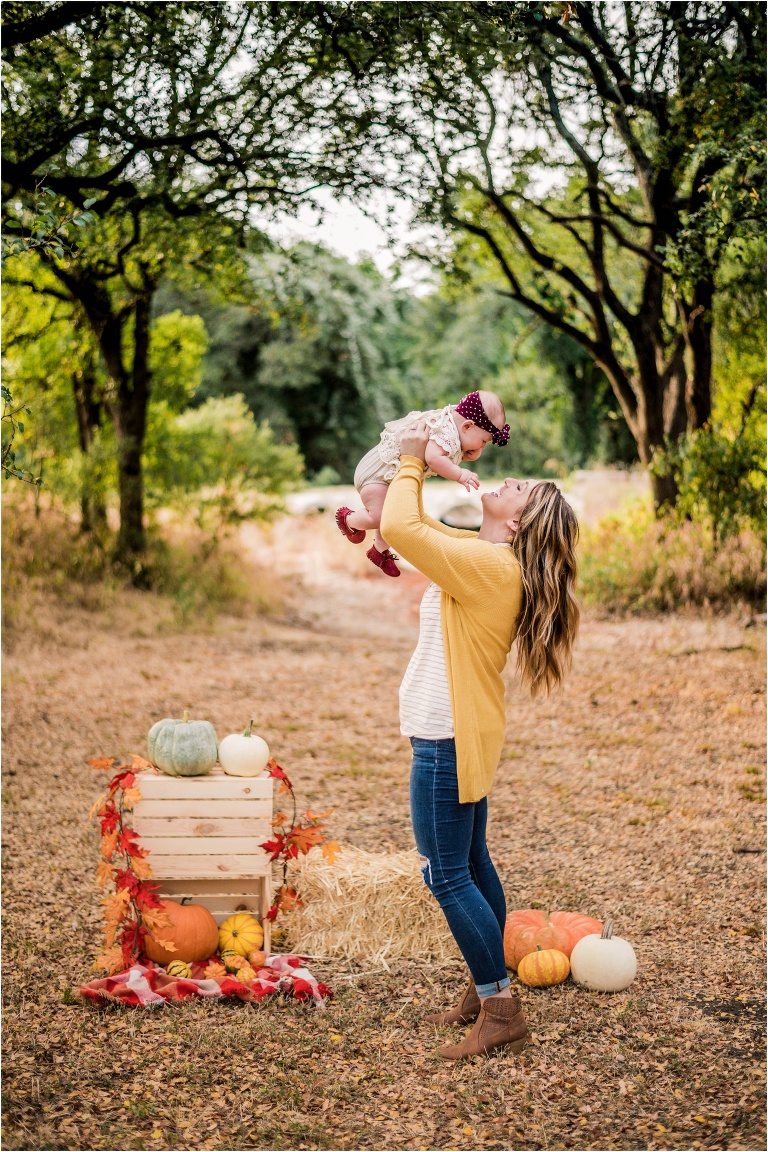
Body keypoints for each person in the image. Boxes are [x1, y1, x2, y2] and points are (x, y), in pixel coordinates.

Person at [380, 420, 579, 1061]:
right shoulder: (484, 555)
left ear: (519, 524)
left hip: (447, 736)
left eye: (521, 488)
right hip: (457, 730)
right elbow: (421, 534)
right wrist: (374, 513)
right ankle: (482, 984)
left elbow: (404, 530)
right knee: (473, 864)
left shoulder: (493, 567)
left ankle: (500, 1008)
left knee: (447, 875)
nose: (510, 477)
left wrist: (411, 460)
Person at [335, 390, 509, 577]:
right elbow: (434, 458)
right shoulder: (446, 431)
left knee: (392, 514)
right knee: (380, 516)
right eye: (483, 441)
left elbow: (444, 454)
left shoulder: (452, 426)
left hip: (390, 476)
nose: (482, 446)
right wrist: (460, 474)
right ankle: (348, 519)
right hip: (378, 474)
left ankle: (379, 550)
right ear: (467, 426)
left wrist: (468, 452)